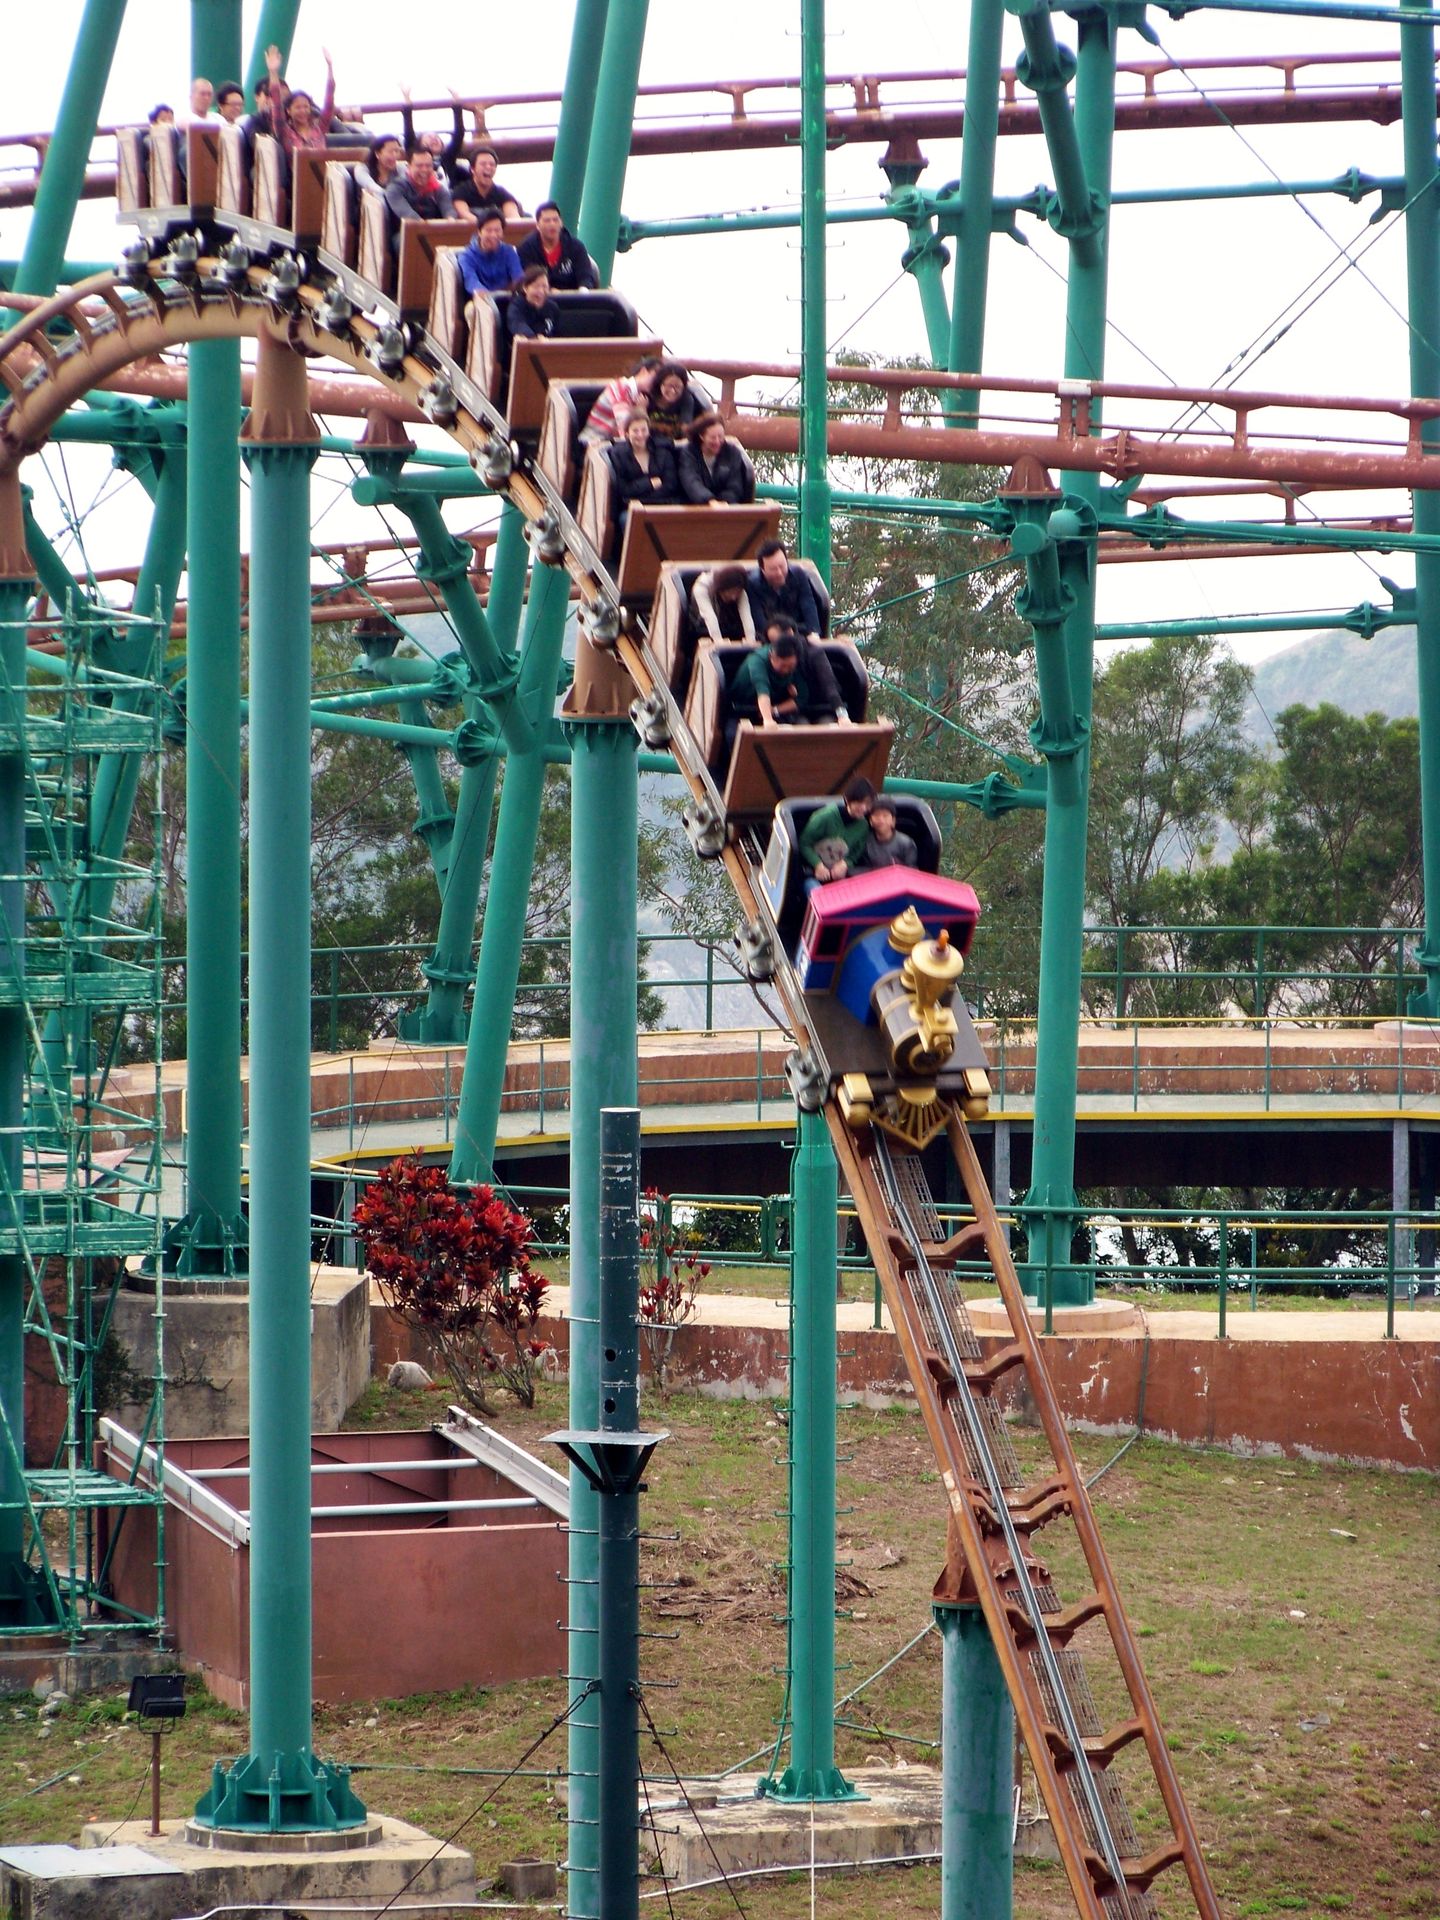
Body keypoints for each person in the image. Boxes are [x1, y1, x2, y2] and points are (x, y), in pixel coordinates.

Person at [759, 614, 849, 725]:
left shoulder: (814, 653)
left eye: (777, 640)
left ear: (790, 633)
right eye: (772, 642)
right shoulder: (773, 659)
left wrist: (842, 715)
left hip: (822, 708)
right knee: (800, 725)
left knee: (826, 725)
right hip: (793, 713)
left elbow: (829, 686)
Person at [729, 630, 811, 737]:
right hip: (741, 709)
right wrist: (768, 720)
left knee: (801, 728)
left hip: (774, 708)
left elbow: (802, 697)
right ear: (772, 656)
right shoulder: (757, 660)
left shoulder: (796, 664)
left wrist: (775, 710)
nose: (786, 670)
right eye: (783, 666)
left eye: (790, 667)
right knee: (733, 735)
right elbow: (762, 689)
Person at [261, 42, 336, 156]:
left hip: (322, 168)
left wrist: (330, 67)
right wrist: (273, 72)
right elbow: (276, 102)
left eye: (306, 107)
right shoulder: (285, 132)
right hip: (297, 168)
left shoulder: (320, 129)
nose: (303, 111)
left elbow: (329, 104)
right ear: (288, 111)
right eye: (298, 107)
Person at [800, 778, 876, 886]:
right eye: (859, 802)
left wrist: (845, 864)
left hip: (840, 877)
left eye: (868, 804)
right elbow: (804, 844)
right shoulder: (824, 817)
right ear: (847, 800)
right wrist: (817, 865)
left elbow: (856, 854)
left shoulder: (863, 826)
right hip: (812, 874)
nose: (864, 808)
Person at [747, 538, 823, 642]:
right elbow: (758, 617)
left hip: (799, 632)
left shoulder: (799, 574)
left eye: (782, 566)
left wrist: (813, 632)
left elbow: (808, 604)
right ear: (762, 569)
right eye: (773, 569)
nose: (779, 573)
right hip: (769, 637)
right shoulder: (753, 584)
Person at [608, 414, 680, 520]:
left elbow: (671, 484)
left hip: (663, 504)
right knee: (627, 519)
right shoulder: (618, 454)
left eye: (644, 430)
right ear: (627, 433)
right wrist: (649, 483)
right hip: (632, 509)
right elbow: (624, 489)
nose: (640, 435)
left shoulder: (663, 450)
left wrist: (641, 496)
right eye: (635, 431)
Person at [581, 355, 662, 448]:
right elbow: (624, 428)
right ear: (644, 371)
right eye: (656, 377)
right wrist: (641, 410)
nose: (656, 383)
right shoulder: (621, 387)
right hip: (593, 442)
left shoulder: (641, 397)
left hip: (610, 443)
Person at [518, 202, 597, 291]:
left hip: (572, 296)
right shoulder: (526, 248)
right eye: (547, 221)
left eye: (555, 220)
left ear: (561, 223)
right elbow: (526, 280)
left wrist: (583, 290)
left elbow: (585, 276)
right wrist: (549, 290)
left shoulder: (576, 247)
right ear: (538, 225)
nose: (552, 224)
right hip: (540, 296)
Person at [677, 412, 751, 506]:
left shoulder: (732, 452)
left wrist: (725, 501)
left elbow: (735, 485)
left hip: (726, 506)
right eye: (713, 438)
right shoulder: (689, 453)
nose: (717, 441)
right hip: (696, 505)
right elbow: (691, 481)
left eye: (720, 437)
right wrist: (709, 500)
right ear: (702, 436)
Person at [400, 87, 468, 184]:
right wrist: (407, 101)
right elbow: (409, 134)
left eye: (436, 137)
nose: (434, 139)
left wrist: (456, 102)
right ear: (419, 144)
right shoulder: (415, 154)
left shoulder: (448, 157)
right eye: (429, 137)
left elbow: (459, 134)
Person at [385, 148, 456, 235]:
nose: (424, 170)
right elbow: (408, 215)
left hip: (434, 232)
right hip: (405, 234)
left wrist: (451, 221)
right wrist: (429, 228)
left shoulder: (437, 187)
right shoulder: (395, 188)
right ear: (409, 166)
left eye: (428, 166)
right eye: (419, 166)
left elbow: (448, 208)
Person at [457, 208, 522, 296]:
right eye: (488, 230)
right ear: (479, 232)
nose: (493, 235)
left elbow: (519, 278)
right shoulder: (467, 256)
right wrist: (483, 294)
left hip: (507, 298)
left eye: (497, 230)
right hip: (480, 300)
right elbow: (471, 281)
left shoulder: (509, 251)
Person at [502, 266, 560, 361]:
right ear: (525, 288)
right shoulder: (516, 306)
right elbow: (517, 325)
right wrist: (535, 339)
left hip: (551, 356)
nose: (541, 291)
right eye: (536, 286)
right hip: (525, 357)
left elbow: (559, 334)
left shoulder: (552, 308)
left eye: (544, 286)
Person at [453, 144, 522, 220]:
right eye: (483, 164)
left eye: (492, 164)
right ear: (472, 169)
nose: (488, 167)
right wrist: (485, 224)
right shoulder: (461, 191)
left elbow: (513, 217)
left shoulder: (502, 193)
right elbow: (464, 214)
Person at [692, 564, 756, 643]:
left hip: (729, 625)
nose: (733, 597)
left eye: (737, 593)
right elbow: (709, 616)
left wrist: (751, 639)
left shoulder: (741, 592)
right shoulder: (701, 588)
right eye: (731, 592)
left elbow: (746, 615)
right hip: (702, 626)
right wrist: (718, 641)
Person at [646, 363, 699, 443]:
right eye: (669, 385)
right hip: (650, 443)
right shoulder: (648, 397)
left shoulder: (686, 399)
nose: (673, 391)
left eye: (677, 387)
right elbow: (639, 424)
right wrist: (642, 408)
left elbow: (686, 428)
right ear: (660, 383)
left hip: (674, 444)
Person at [861, 796, 918, 870]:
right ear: (871, 821)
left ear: (893, 821)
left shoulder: (906, 843)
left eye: (885, 816)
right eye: (876, 815)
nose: (881, 820)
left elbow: (912, 870)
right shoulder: (866, 842)